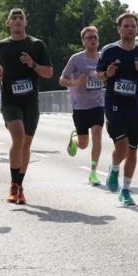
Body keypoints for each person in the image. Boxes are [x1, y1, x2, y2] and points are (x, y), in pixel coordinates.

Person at [0, 9, 54, 204]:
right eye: (13, 18)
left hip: (30, 102)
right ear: (8, 23)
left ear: (26, 22)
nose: (17, 21)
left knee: (25, 145)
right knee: (17, 137)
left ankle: (20, 185)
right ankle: (13, 185)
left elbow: (49, 73)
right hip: (10, 100)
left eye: (20, 18)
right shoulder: (0, 46)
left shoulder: (36, 45)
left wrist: (33, 64)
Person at [97, 12, 138, 207]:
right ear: (119, 29)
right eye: (126, 26)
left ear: (137, 30)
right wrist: (107, 73)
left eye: (133, 26)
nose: (130, 29)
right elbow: (98, 76)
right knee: (121, 147)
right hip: (114, 104)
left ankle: (126, 190)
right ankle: (114, 170)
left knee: (133, 149)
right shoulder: (109, 50)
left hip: (135, 106)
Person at [59, 25, 105, 186]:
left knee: (98, 135)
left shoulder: (102, 58)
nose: (93, 40)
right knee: (84, 144)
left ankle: (93, 172)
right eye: (89, 38)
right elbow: (62, 80)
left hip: (98, 104)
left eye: (95, 37)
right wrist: (76, 82)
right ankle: (75, 139)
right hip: (80, 107)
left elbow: (107, 77)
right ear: (83, 41)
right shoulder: (76, 59)